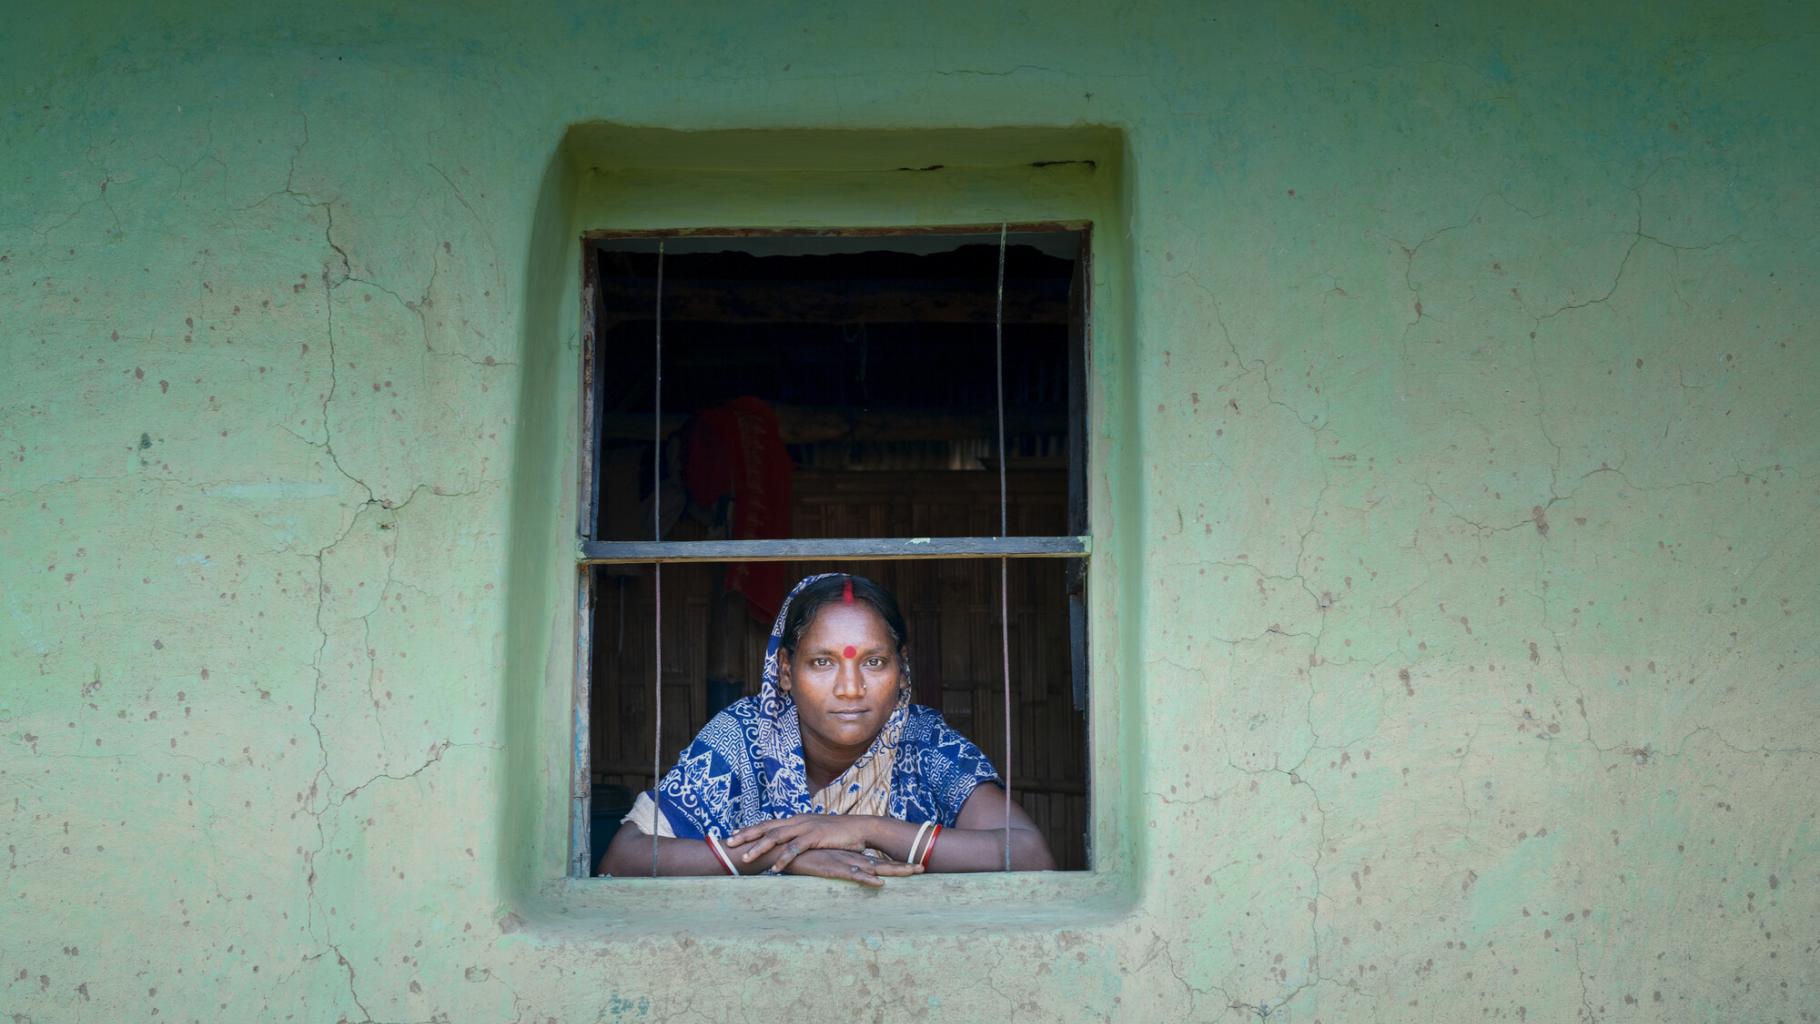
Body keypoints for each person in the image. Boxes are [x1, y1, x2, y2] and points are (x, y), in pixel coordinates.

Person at [598, 572, 1055, 885]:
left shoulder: (925, 744)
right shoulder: (742, 736)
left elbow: (1032, 857)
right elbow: (624, 857)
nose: (851, 688)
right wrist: (786, 855)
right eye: (822, 662)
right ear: (784, 671)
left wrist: (865, 829)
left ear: (902, 670)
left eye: (874, 662)